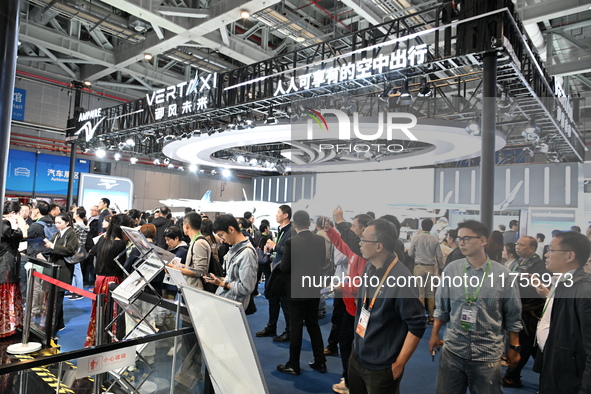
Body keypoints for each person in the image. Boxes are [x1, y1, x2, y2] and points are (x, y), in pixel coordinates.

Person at [430, 220, 522, 394]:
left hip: (487, 354)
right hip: (453, 350)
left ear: (483, 240)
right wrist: (434, 333)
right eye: (459, 239)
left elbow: (513, 314)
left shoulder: (503, 275)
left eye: (466, 238)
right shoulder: (452, 270)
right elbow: (442, 308)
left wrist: (514, 347)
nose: (461, 243)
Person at [348, 219, 427, 394]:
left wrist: (400, 363)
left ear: (379, 246)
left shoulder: (402, 280)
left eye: (364, 240)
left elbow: (418, 324)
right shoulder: (370, 266)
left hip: (381, 366)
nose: (359, 243)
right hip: (358, 354)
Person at [535, 231, 591, 393]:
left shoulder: (584, 290)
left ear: (569, 256)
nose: (546, 254)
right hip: (555, 369)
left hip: (571, 380)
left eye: (551, 250)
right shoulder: (561, 283)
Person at [277, 210, 327, 376]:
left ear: (294, 224)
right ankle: (320, 361)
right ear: (309, 223)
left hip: (296, 290)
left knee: (296, 326)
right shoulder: (320, 240)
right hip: (313, 288)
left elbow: (284, 267)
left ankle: (293, 364)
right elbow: (322, 262)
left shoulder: (292, 242)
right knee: (313, 325)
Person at [503, 235, 548, 388]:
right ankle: (548, 376)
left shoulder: (538, 265)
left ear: (532, 248)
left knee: (526, 344)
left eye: (521, 245)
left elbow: (538, 287)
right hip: (519, 309)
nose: (517, 247)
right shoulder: (519, 262)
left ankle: (512, 375)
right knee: (534, 347)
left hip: (530, 312)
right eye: (517, 244)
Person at [85, 214, 135, 347]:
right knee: (114, 314)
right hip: (114, 280)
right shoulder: (122, 244)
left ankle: (96, 340)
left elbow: (92, 251)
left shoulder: (103, 238)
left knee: (98, 311)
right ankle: (111, 342)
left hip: (99, 280)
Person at [257, 205, 295, 342]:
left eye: (278, 212)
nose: (276, 215)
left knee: (285, 304)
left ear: (286, 215)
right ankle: (271, 327)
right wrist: (271, 249)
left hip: (285, 274)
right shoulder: (281, 230)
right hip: (277, 271)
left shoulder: (291, 231)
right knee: (273, 300)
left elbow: (292, 251)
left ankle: (289, 332)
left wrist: (275, 246)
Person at [205, 214, 257, 308]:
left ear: (231, 229)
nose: (222, 239)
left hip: (233, 305)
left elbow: (246, 288)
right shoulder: (234, 249)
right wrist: (218, 279)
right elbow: (232, 277)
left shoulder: (247, 253)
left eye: (221, 235)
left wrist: (223, 284)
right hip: (226, 300)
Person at [43, 213, 79, 336]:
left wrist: (52, 245)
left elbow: (69, 249)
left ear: (67, 222)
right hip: (56, 267)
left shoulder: (71, 233)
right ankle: (59, 324)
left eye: (59, 222)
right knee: (55, 298)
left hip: (64, 269)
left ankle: (53, 326)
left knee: (57, 298)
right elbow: (53, 247)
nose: (57, 225)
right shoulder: (59, 233)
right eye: (56, 222)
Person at [408, 218, 443, 324]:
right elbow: (440, 256)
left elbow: (410, 253)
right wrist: (441, 268)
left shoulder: (416, 238)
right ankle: (431, 317)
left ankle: (421, 316)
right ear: (431, 227)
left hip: (419, 267)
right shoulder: (435, 239)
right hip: (431, 268)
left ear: (422, 226)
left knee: (420, 293)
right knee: (431, 293)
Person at [0, 201, 25, 338]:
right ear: (14, 213)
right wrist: (20, 220)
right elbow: (24, 234)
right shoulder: (5, 224)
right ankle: (7, 326)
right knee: (7, 294)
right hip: (5, 266)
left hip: (5, 265)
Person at [176, 212, 211, 289]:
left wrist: (176, 270)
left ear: (187, 226)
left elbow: (200, 272)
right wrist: (181, 266)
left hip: (196, 289)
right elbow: (194, 267)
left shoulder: (199, 243)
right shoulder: (195, 241)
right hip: (191, 287)